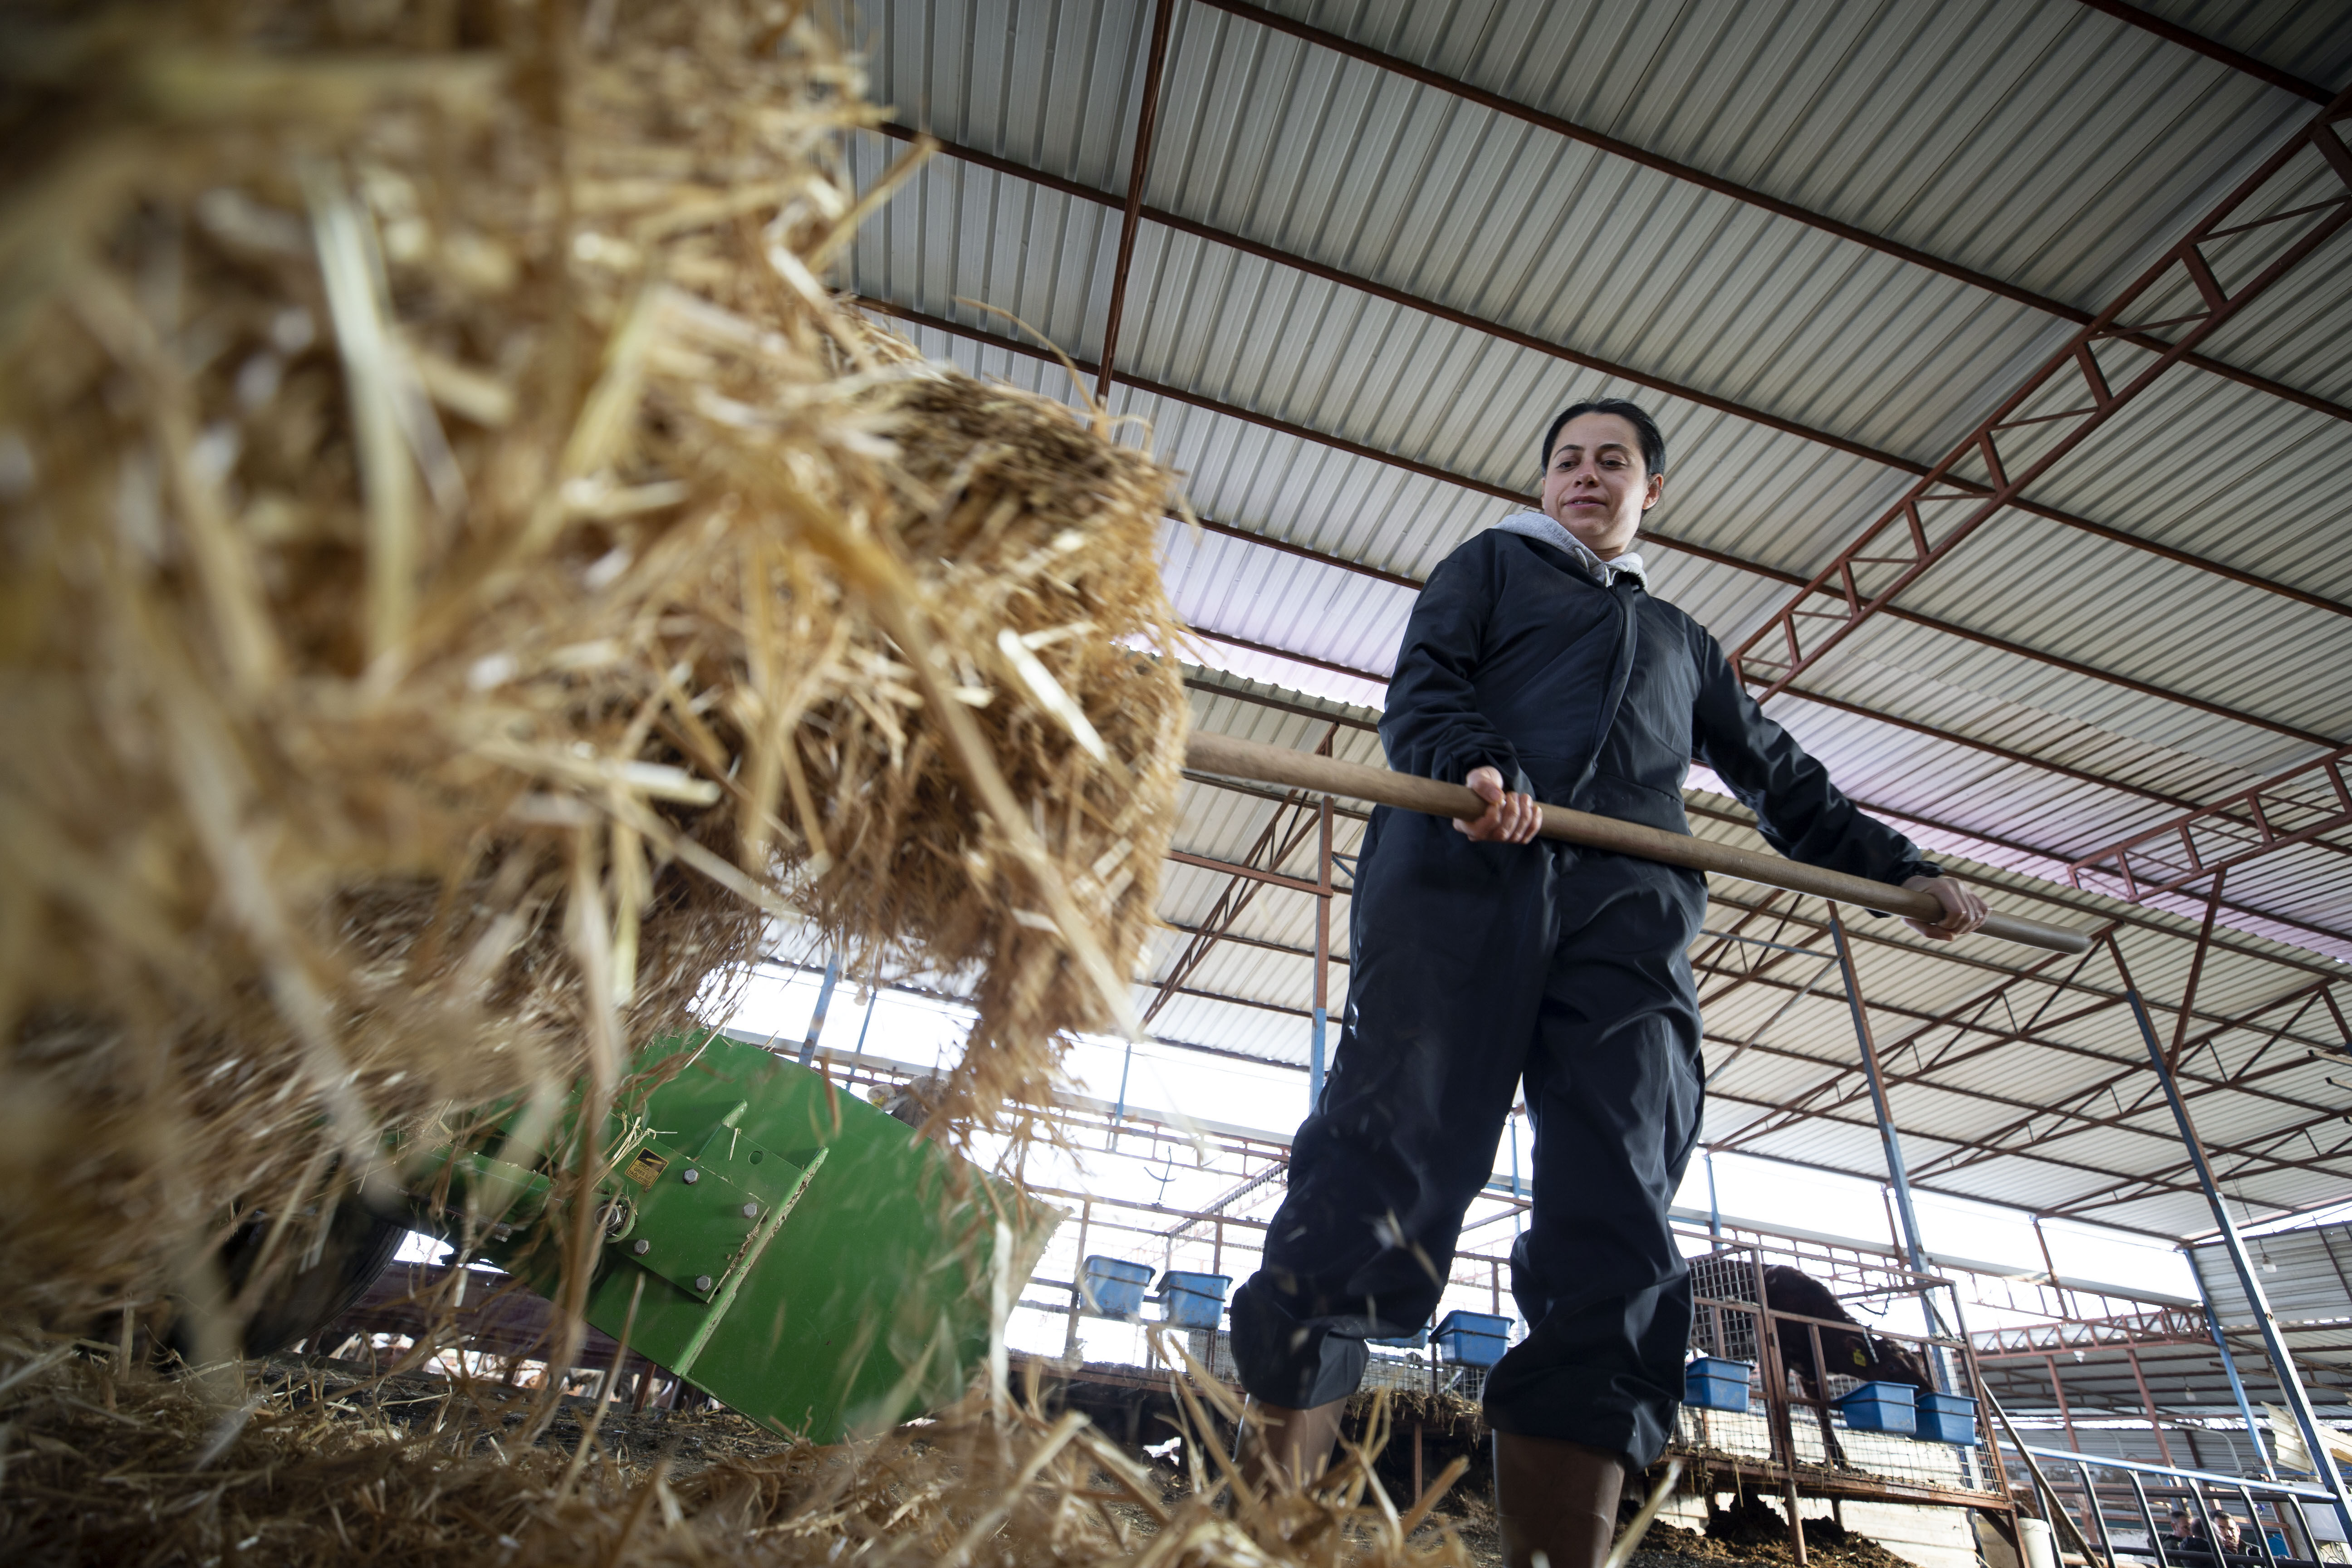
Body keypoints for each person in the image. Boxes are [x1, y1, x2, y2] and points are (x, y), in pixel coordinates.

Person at [1225, 399, 1987, 1568]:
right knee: (1390, 1162)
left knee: (1621, 1208)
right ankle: (1265, 1526)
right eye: (1568, 460)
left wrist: (1906, 872)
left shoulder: (1684, 644)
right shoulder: (1488, 567)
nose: (1587, 476)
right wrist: (1475, 762)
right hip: (1464, 879)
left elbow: (1787, 785)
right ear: (1544, 484)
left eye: (1612, 462)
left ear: (1650, 492)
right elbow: (1425, 685)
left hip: (1627, 921)